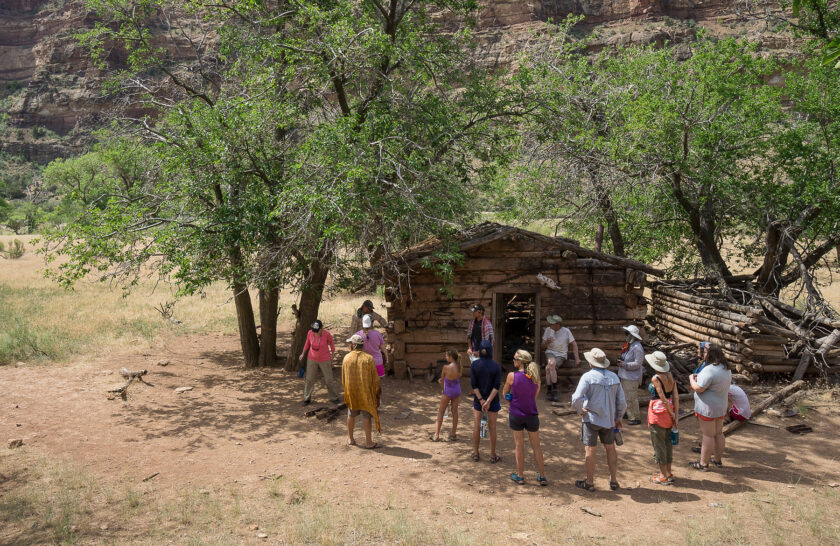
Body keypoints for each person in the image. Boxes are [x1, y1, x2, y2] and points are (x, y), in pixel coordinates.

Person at [571, 348, 627, 492]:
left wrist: (579, 410)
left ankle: (589, 482)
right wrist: (618, 417)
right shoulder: (614, 377)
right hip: (609, 419)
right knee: (610, 448)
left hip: (591, 418)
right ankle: (613, 480)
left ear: (591, 363)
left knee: (590, 449)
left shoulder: (588, 377)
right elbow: (622, 402)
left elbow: (576, 398)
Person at [502, 349, 547, 486]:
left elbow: (504, 393)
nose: (513, 360)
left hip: (516, 414)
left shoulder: (511, 376)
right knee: (536, 447)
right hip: (532, 414)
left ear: (520, 361)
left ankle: (520, 476)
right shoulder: (536, 378)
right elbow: (533, 397)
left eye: (515, 359)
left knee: (519, 445)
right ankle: (542, 476)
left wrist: (511, 400)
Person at [689, 344, 732, 471]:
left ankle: (703, 464)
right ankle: (717, 460)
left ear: (710, 354)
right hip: (720, 406)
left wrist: (691, 378)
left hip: (707, 408)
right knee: (719, 433)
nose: (703, 353)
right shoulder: (726, 368)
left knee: (708, 435)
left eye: (705, 351)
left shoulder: (709, 370)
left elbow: (699, 388)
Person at [342, 334, 382, 449]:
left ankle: (350, 439)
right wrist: (376, 393)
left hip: (352, 392)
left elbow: (344, 378)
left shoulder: (347, 358)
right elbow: (375, 379)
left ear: (353, 345)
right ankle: (369, 442)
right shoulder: (368, 359)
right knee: (366, 416)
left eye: (350, 343)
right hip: (366, 393)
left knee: (351, 414)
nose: (350, 345)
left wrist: (347, 390)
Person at [645, 351, 679, 485]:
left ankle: (663, 475)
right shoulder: (670, 376)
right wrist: (675, 414)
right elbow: (675, 396)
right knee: (667, 442)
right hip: (670, 412)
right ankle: (668, 472)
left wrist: (671, 413)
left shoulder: (656, 378)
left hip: (658, 413)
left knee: (658, 444)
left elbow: (662, 398)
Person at [470, 339, 502, 463]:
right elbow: (497, 386)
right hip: (492, 401)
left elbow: (474, 385)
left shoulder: (475, 365)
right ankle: (493, 455)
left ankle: (476, 453)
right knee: (492, 427)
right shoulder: (496, 366)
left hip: (479, 401)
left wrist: (481, 400)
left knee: (477, 425)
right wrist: (488, 401)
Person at [298, 319, 339, 406]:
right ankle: (307, 398)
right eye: (314, 331)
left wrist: (333, 353)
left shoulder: (326, 334)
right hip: (311, 358)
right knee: (309, 379)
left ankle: (334, 397)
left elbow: (331, 343)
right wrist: (303, 353)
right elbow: (307, 343)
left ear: (321, 329)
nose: (315, 332)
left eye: (317, 331)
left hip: (325, 359)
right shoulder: (310, 333)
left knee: (329, 380)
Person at [541, 314, 581, 401]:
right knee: (550, 365)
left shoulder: (566, 331)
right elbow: (542, 346)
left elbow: (574, 344)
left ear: (558, 325)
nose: (550, 325)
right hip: (550, 353)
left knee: (549, 367)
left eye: (552, 324)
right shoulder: (548, 330)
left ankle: (550, 390)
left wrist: (577, 358)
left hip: (561, 354)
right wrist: (547, 342)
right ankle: (554, 390)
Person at [431, 350, 462, 442]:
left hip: (447, 391)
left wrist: (440, 383)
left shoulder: (445, 367)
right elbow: (457, 378)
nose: (445, 357)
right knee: (455, 412)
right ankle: (453, 434)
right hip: (456, 391)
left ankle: (436, 435)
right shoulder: (460, 366)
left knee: (441, 412)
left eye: (446, 356)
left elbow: (442, 381)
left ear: (451, 357)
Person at [617, 324, 645, 425]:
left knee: (631, 398)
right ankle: (628, 413)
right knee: (626, 397)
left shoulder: (637, 347)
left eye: (627, 333)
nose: (626, 335)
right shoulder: (630, 345)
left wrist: (624, 364)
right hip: (625, 375)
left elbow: (638, 363)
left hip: (631, 377)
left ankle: (635, 417)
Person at [356, 314, 389, 378]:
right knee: (376, 385)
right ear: (372, 323)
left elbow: (353, 347)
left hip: (364, 363)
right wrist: (387, 358)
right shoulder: (378, 334)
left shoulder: (358, 335)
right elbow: (383, 349)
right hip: (378, 363)